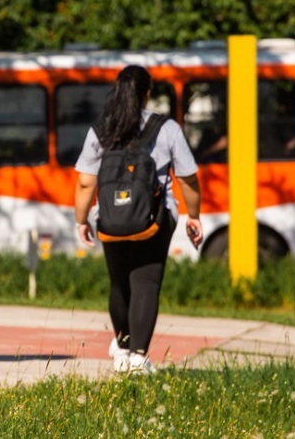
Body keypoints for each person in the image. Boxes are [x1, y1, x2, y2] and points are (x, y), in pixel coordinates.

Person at [73, 65, 203, 374]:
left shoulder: (101, 129)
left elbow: (85, 183)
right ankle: (138, 357)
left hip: (109, 217)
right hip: (155, 219)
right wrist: (193, 215)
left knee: (119, 281)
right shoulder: (167, 128)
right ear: (147, 94)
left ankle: (123, 348)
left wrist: (81, 220)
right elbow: (188, 178)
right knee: (145, 281)